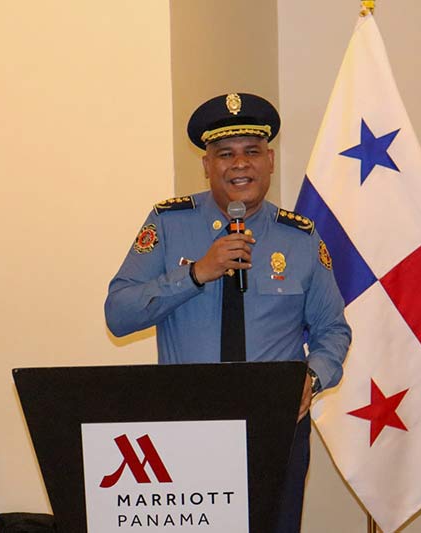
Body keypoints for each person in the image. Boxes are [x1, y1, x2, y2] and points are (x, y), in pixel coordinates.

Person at [104, 92, 351, 532]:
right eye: (225, 154)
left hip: (276, 424)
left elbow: (333, 329)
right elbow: (118, 315)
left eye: (252, 151)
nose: (240, 164)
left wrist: (311, 380)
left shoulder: (300, 239)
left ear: (270, 161)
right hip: (186, 422)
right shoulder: (168, 224)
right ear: (206, 165)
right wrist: (197, 273)